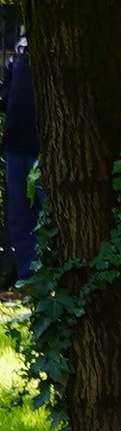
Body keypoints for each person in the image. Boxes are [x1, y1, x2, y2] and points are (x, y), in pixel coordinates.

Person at [0, 29, 33, 285]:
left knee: (45, 216)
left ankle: (48, 277)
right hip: (15, 146)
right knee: (18, 217)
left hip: (41, 148)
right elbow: (7, 92)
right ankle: (26, 278)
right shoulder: (20, 49)